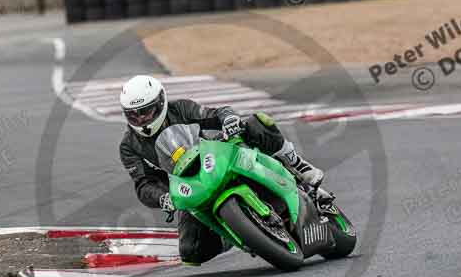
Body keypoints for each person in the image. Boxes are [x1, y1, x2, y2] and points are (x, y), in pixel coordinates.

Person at [119, 74, 328, 266]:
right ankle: (234, 233)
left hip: (214, 157)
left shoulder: (181, 109)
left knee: (257, 123)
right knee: (190, 252)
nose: (141, 120)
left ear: (161, 103)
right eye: (134, 115)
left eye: (146, 112)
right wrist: (163, 198)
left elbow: (217, 113)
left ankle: (296, 163)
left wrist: (229, 119)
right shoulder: (129, 146)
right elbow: (143, 184)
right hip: (188, 188)